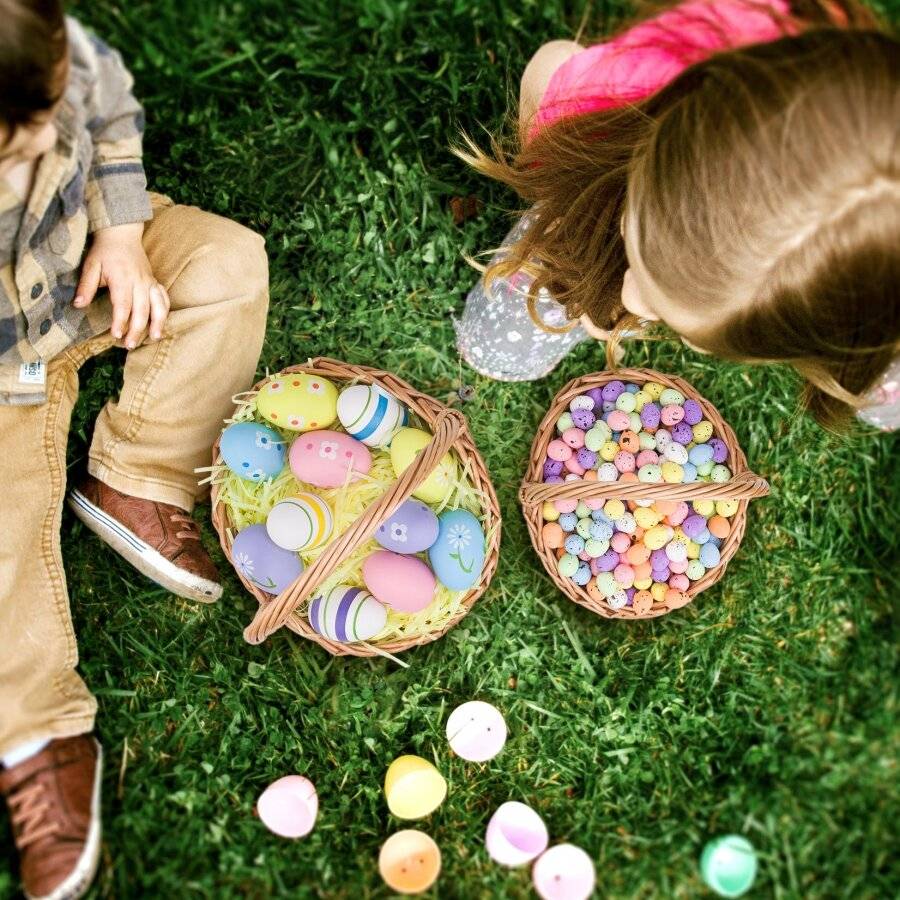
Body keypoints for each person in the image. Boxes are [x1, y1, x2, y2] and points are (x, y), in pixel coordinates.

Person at [0, 3, 269, 897]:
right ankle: (34, 731)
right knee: (1, 545)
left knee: (228, 271)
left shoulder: (47, 52)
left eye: (43, 124)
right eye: (13, 153)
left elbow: (108, 108)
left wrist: (120, 232)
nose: (39, 147)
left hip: (85, 273)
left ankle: (138, 472)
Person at [455, 0, 899, 430]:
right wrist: (554, 161)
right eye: (635, 238)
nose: (630, 301)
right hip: (601, 182)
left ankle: (875, 362)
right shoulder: (613, 97)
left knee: (877, 362)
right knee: (501, 342)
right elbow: (552, 62)